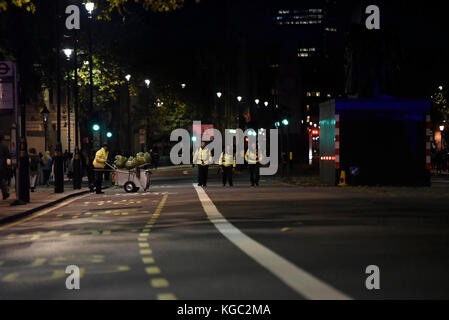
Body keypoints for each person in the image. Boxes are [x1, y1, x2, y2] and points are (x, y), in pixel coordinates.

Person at [0, 134, 11, 200]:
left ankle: (5, 193)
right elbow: (8, 157)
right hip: (2, 166)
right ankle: (5, 193)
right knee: (2, 180)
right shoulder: (4, 147)